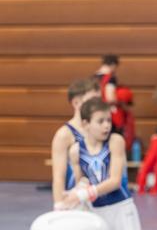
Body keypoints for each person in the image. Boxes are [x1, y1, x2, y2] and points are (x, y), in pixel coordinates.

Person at [60, 97, 141, 230]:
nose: (107, 125)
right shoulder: (76, 151)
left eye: (109, 120)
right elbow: (82, 180)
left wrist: (84, 193)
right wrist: (74, 193)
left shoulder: (115, 142)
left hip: (121, 208)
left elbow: (115, 181)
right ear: (86, 124)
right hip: (97, 212)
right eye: (100, 121)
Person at [51, 78, 100, 209]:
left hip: (100, 200)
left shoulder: (100, 130)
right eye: (92, 101)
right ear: (76, 103)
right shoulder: (64, 134)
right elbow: (58, 177)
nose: (98, 105)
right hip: (76, 202)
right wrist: (59, 206)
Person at [95, 54, 124, 135]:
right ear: (113, 65)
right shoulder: (110, 78)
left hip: (94, 112)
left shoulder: (93, 77)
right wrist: (120, 101)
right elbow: (110, 98)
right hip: (107, 113)